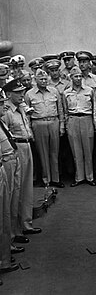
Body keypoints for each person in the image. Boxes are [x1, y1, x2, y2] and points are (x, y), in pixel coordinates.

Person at [3, 79, 42, 244]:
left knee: (26, 188)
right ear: (8, 94)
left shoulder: (21, 109)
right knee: (15, 191)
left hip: (26, 146)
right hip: (15, 149)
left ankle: (26, 224)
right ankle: (14, 231)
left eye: (22, 92)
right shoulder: (6, 112)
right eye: (18, 92)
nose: (21, 95)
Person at [24, 69, 65, 187]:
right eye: (40, 79)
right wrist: (29, 130)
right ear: (35, 80)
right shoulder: (29, 94)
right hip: (38, 123)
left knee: (54, 152)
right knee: (43, 153)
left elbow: (60, 109)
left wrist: (61, 125)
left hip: (53, 122)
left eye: (45, 79)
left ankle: (56, 179)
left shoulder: (54, 91)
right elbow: (27, 115)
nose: (43, 81)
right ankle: (46, 179)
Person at [63, 66, 96, 186]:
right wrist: (66, 125)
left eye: (80, 76)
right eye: (75, 76)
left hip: (87, 119)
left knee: (88, 150)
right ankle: (79, 177)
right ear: (71, 78)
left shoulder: (89, 90)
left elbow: (94, 108)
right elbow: (65, 110)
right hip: (73, 119)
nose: (78, 78)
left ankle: (90, 177)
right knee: (76, 151)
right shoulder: (66, 93)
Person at [0, 90, 21, 273]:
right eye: (0, 103)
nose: (4, 106)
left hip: (7, 162)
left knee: (6, 212)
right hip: (3, 165)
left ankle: (6, 254)